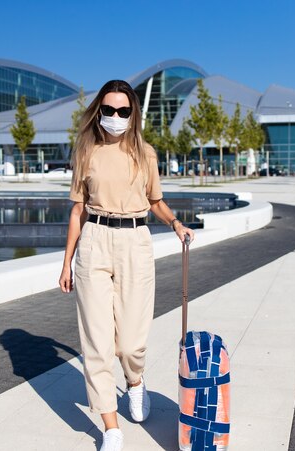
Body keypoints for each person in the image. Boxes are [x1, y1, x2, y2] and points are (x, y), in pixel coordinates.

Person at [59, 79, 194, 451]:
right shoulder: (85, 151)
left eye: (123, 111)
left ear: (133, 113)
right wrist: (67, 263)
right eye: (108, 110)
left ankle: (135, 383)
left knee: (131, 342)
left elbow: (155, 201)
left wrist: (175, 222)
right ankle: (110, 427)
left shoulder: (145, 153)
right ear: (98, 111)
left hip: (135, 241)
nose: (115, 117)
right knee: (97, 343)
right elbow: (77, 211)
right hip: (95, 243)